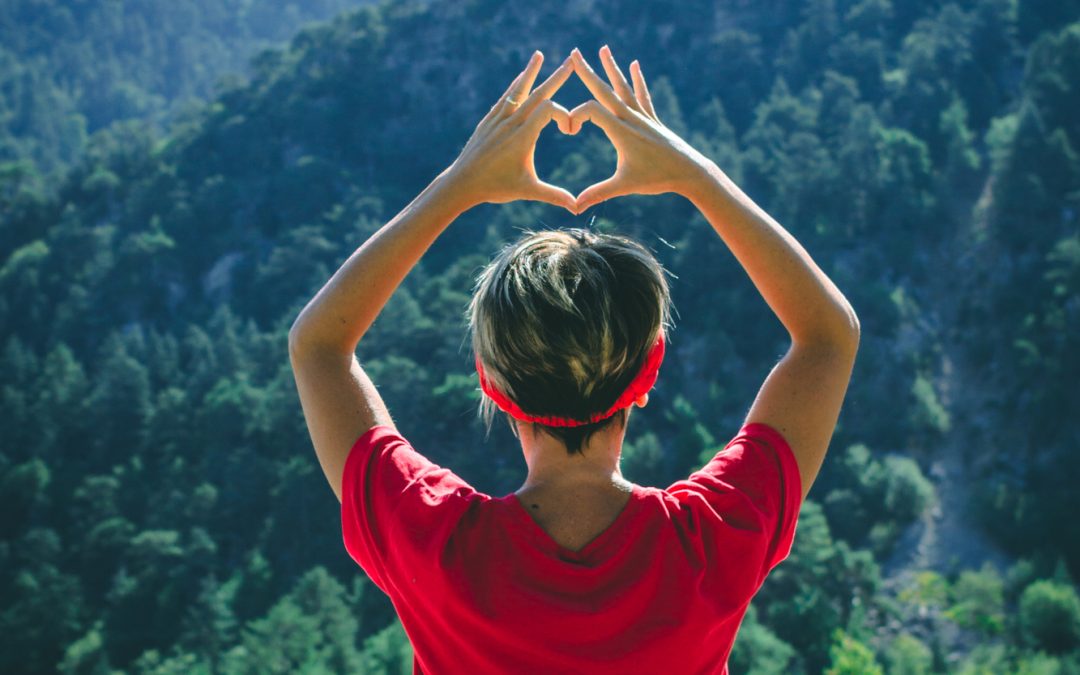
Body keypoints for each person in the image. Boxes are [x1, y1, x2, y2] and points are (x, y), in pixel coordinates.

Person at [288, 45, 860, 674]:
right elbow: (827, 338)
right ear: (651, 371)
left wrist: (460, 184)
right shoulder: (709, 544)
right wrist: (692, 175)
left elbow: (319, 348)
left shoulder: (435, 547)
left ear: (488, 378)